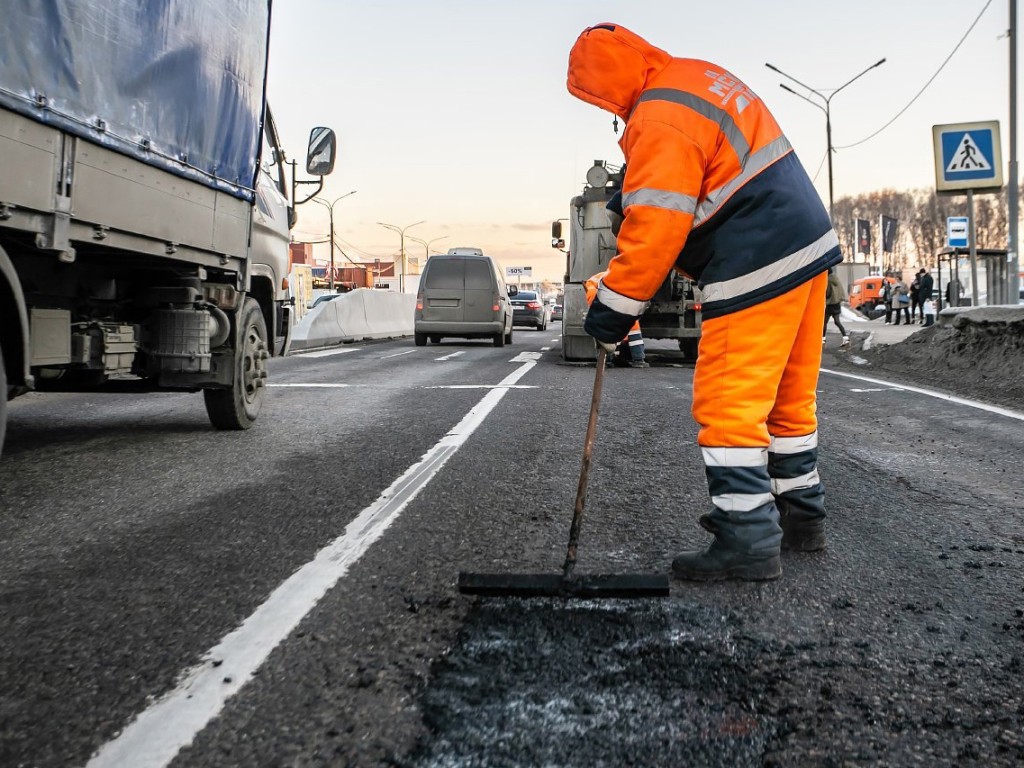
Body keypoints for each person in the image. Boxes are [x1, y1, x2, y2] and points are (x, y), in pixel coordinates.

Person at [568, 23, 840, 582]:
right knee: (789, 401)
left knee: (728, 404)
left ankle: (747, 539)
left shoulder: (657, 115)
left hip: (755, 257)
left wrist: (612, 311)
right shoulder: (695, 78)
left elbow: (656, 230)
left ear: (605, 83)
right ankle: (801, 518)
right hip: (806, 249)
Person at [585, 270, 648, 368]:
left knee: (614, 331)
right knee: (631, 332)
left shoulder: (598, 281)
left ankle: (611, 359)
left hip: (614, 305)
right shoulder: (620, 280)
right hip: (622, 305)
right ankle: (637, 360)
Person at [823, 268, 849, 346]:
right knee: (837, 322)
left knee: (824, 322)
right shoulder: (836, 279)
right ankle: (846, 338)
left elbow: (827, 293)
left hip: (830, 304)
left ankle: (823, 340)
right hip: (837, 304)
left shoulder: (827, 280)